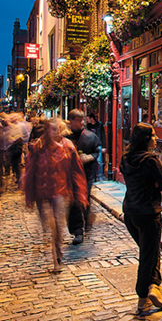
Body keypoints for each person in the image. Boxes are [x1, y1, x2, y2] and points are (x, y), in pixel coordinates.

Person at [23, 118, 88, 273]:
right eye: (53, 129)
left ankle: (56, 255)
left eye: (58, 128)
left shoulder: (68, 147)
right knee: (49, 224)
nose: (56, 132)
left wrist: (80, 194)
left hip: (60, 189)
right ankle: (55, 249)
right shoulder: (38, 146)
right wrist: (29, 194)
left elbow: (76, 172)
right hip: (41, 190)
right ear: (47, 130)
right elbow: (30, 170)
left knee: (56, 223)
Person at [120, 123, 162, 315]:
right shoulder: (150, 160)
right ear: (146, 139)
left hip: (130, 212)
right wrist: (155, 182)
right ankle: (143, 297)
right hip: (148, 212)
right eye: (154, 136)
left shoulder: (126, 159)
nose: (156, 139)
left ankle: (154, 287)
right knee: (148, 256)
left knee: (150, 252)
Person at [65, 109, 102, 245]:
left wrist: (88, 157)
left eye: (83, 120)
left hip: (86, 173)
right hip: (71, 175)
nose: (82, 123)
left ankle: (86, 222)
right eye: (79, 120)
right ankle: (77, 231)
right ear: (72, 121)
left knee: (84, 198)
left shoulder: (90, 136)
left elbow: (97, 151)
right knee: (74, 201)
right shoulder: (66, 137)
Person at [86, 113, 106, 181]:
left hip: (98, 144)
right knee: (92, 161)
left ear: (92, 118)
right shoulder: (88, 126)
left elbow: (103, 136)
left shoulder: (99, 125)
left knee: (99, 161)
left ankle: (100, 176)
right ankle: (94, 177)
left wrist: (104, 146)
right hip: (91, 145)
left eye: (88, 119)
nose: (87, 121)